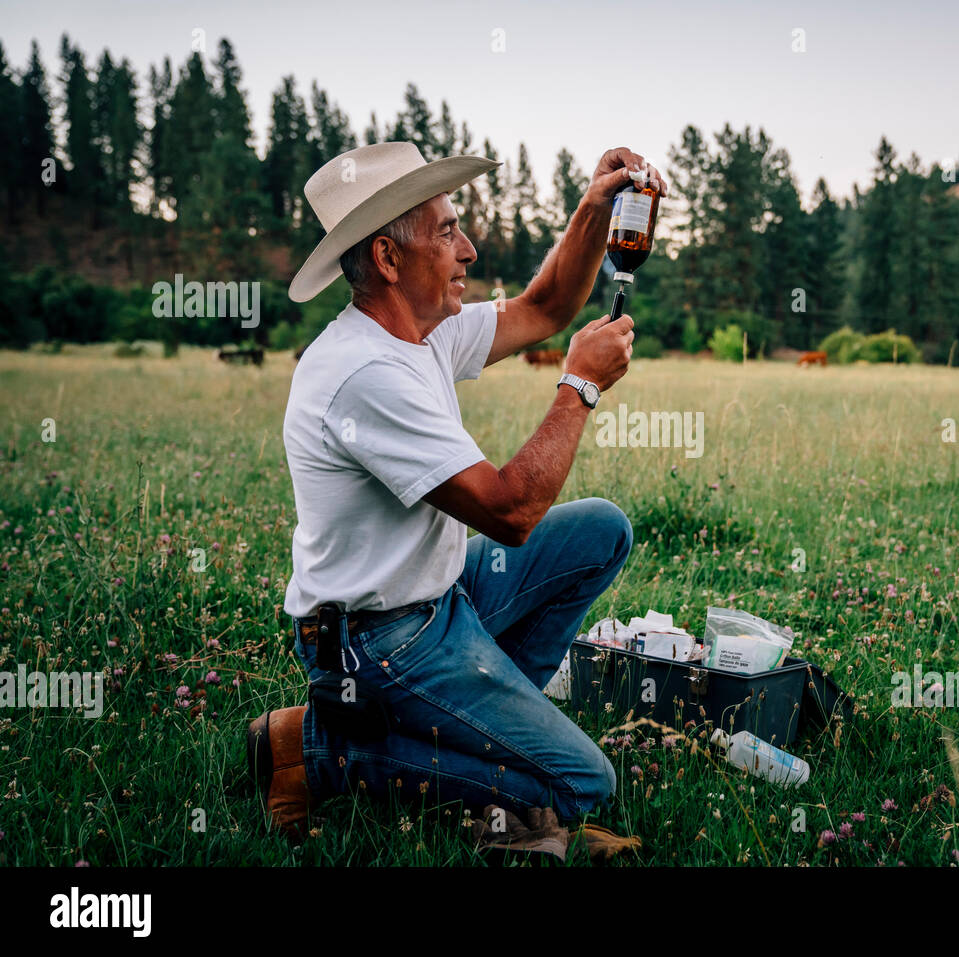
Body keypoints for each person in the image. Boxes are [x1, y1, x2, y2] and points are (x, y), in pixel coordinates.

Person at [247, 140, 666, 859]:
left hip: (442, 599)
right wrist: (580, 387)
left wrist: (594, 210)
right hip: (375, 642)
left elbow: (548, 304)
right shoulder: (364, 373)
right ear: (386, 257)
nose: (468, 248)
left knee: (602, 530)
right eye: (446, 232)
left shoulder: (423, 330)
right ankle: (317, 750)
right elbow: (510, 512)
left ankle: (492, 731)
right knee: (583, 781)